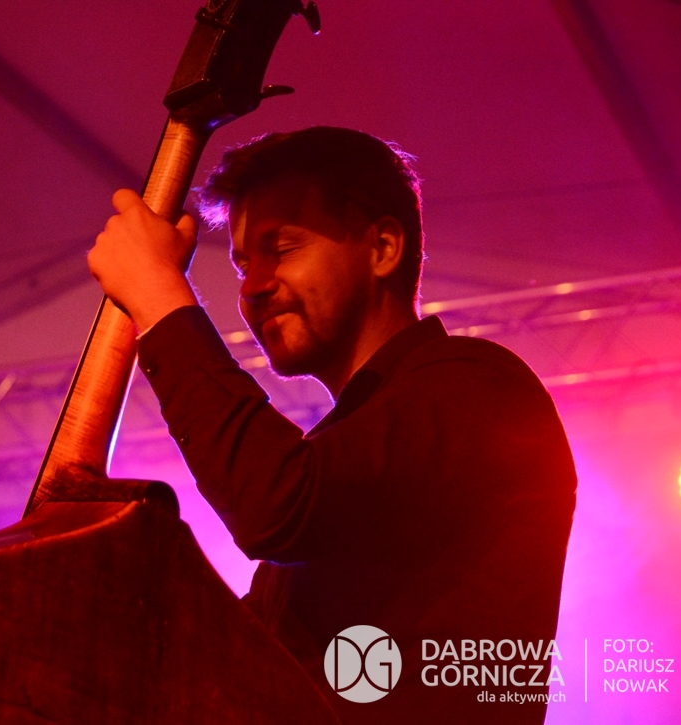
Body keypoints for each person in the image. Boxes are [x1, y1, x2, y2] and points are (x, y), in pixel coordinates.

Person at [87, 126, 576, 724]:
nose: (252, 287)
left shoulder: (478, 385)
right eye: (243, 264)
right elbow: (235, 660)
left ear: (383, 248)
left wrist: (160, 295)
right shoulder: (338, 459)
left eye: (282, 248)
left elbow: (276, 502)